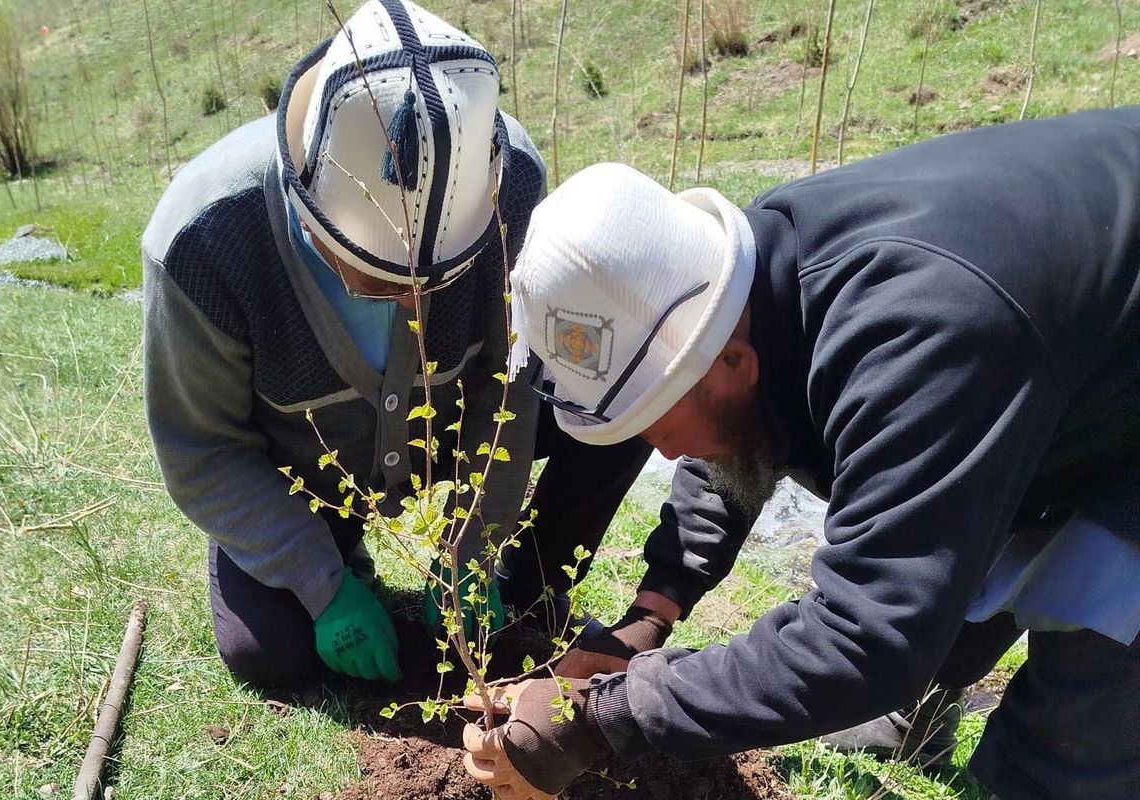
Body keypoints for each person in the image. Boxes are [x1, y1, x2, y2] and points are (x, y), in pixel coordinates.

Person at [460, 107, 1140, 800]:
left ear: (731, 360)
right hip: (1065, 354)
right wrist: (649, 616)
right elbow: (730, 442)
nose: (658, 448)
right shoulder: (741, 284)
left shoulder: (920, 340)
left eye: (655, 418)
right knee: (947, 558)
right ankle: (919, 717)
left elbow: (865, 637)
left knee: (1076, 727)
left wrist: (604, 717)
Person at [142, 0, 649, 691]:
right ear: (310, 213)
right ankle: (336, 555)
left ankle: (526, 588)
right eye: (377, 277)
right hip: (305, 476)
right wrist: (319, 584)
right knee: (267, 652)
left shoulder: (508, 184)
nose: (414, 300)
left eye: (437, 278)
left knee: (629, 392)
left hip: (437, 441)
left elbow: (509, 381)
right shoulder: (206, 241)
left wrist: (475, 545)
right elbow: (203, 451)